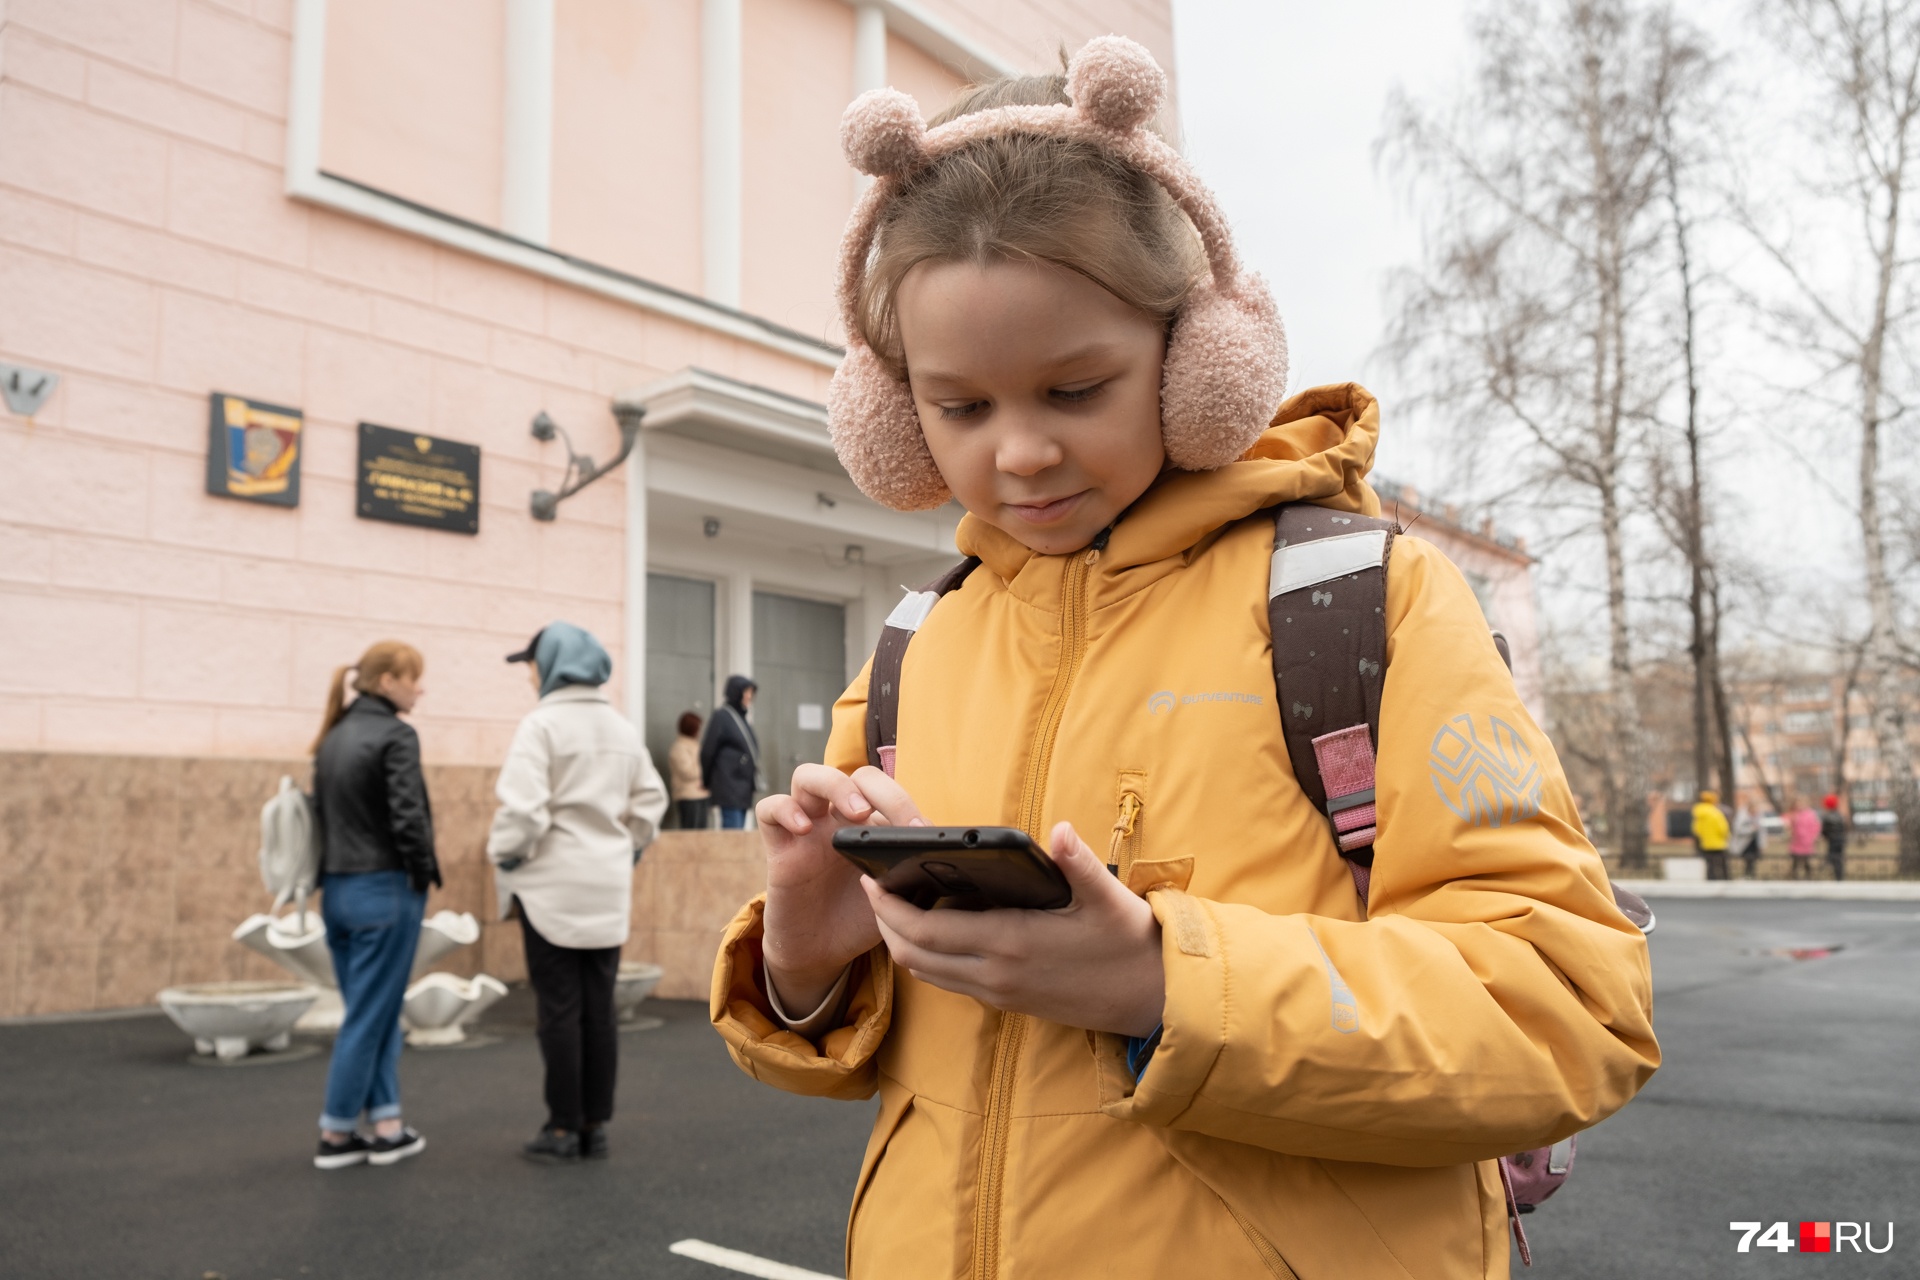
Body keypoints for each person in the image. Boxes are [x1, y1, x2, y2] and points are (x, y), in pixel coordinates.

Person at [708, 42, 1658, 1278]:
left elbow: (1570, 1010)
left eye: (1074, 386)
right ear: (891, 410)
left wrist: (1167, 983)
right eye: (962, 407)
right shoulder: (916, 643)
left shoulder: (1357, 602)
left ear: (1203, 354)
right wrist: (804, 960)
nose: (1023, 452)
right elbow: (868, 1045)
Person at [489, 623, 668, 1163]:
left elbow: (522, 812)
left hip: (550, 889)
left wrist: (505, 854)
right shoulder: (618, 726)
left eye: (532, 662)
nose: (529, 672)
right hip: (606, 886)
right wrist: (627, 848)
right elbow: (651, 801)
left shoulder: (540, 725)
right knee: (599, 1009)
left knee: (559, 1010)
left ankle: (562, 1128)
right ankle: (595, 1125)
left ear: (551, 664)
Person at [309, 640, 439, 1170]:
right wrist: (423, 873)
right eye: (414, 678)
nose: (420, 688)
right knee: (369, 1015)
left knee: (374, 1011)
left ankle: (386, 1125)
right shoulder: (396, 735)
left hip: (337, 891)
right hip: (384, 891)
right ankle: (336, 1133)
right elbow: (410, 820)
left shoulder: (332, 736)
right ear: (387, 681)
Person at [701, 675, 760, 829]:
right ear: (736, 692)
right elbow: (707, 751)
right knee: (733, 834)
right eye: (746, 692)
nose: (749, 696)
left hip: (741, 786)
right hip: (730, 786)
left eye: (750, 692)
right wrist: (706, 780)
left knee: (738, 835)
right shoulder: (722, 716)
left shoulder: (740, 717)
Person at [668, 711, 711, 830]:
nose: (700, 731)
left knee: (702, 834)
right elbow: (687, 772)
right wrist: (705, 767)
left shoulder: (697, 745)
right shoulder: (679, 748)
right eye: (698, 727)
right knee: (690, 833)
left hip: (702, 794)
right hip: (688, 796)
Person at [1692, 789, 1731, 881]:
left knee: (1710, 865)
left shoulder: (1698, 814)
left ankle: (1711, 879)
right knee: (1723, 864)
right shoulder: (1715, 813)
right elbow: (1723, 829)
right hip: (1719, 843)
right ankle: (1725, 879)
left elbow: (1697, 830)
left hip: (1706, 844)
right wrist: (1726, 837)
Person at [1788, 797, 1821, 879]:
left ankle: (1808, 878)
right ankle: (1795, 878)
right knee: (1795, 862)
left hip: (1807, 841)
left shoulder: (1811, 814)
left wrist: (1813, 837)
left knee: (1806, 862)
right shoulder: (1795, 814)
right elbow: (1792, 827)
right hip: (1797, 841)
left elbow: (1816, 827)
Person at [1821, 794, 1849, 881]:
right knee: (1839, 858)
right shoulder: (1840, 816)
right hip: (1841, 840)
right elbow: (1845, 828)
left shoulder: (1826, 817)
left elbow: (1824, 830)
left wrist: (1825, 836)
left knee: (1833, 857)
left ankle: (1828, 867)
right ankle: (1839, 876)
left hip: (1832, 840)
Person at [1733, 802, 1764, 878]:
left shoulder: (1759, 818)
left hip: (1755, 843)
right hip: (1746, 843)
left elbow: (1762, 832)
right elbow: (1738, 830)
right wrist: (1751, 829)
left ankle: (1751, 874)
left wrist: (1762, 844)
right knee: (1747, 859)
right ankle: (1747, 874)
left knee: (1753, 860)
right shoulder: (1743, 818)